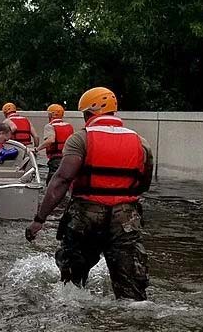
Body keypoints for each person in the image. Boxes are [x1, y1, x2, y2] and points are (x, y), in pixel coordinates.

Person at [25, 87, 154, 300]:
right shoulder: (140, 142)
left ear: (87, 113)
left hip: (86, 215)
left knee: (72, 284)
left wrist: (40, 219)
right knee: (132, 291)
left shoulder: (80, 139)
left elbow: (62, 180)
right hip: (126, 218)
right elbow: (144, 183)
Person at [37, 104, 77, 176]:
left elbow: (50, 140)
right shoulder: (69, 126)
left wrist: (37, 149)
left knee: (53, 179)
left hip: (56, 158)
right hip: (68, 157)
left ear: (51, 115)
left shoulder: (49, 126)